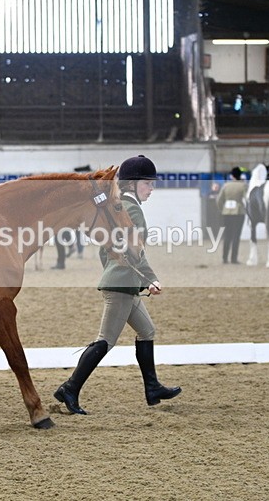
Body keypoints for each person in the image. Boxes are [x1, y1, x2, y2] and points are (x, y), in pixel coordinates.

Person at [54, 155, 181, 415]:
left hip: (126, 283)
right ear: (133, 184)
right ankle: (70, 388)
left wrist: (122, 273)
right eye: (148, 184)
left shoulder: (122, 207)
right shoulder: (129, 209)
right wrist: (150, 278)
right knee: (105, 341)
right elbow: (136, 252)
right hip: (122, 285)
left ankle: (153, 387)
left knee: (147, 331)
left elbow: (107, 250)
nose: (152, 189)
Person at [216, 166, 247, 264]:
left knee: (227, 235)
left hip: (227, 212)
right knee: (236, 236)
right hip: (238, 212)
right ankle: (234, 258)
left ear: (232, 176)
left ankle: (224, 258)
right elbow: (246, 199)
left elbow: (219, 200)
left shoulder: (226, 185)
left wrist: (223, 209)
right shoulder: (243, 185)